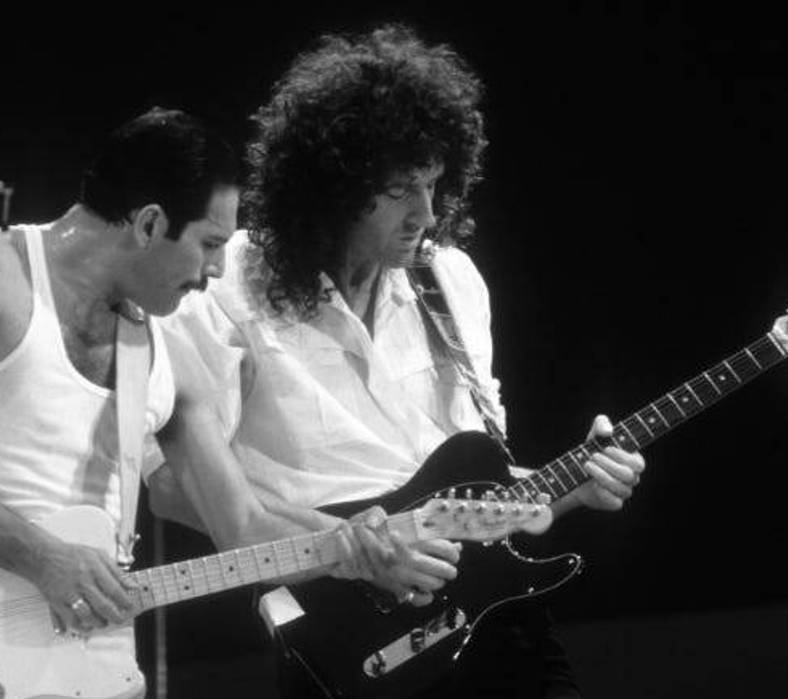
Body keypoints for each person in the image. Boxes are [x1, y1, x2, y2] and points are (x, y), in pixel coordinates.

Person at [0, 107, 431, 696]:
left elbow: (244, 525)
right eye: (209, 243)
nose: (216, 270)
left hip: (84, 668)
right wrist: (45, 559)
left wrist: (348, 542)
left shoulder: (167, 351)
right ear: (150, 223)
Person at [151, 25, 646, 698]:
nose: (426, 211)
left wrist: (569, 488)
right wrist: (341, 542)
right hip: (343, 632)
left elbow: (484, 493)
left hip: (489, 618)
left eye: (434, 184)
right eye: (400, 189)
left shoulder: (452, 281)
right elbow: (176, 488)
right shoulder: (226, 282)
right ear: (331, 183)